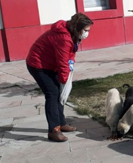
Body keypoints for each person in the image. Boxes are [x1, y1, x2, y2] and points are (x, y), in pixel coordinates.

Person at [25, 13, 93, 142]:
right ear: (77, 28)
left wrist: (70, 66)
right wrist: (64, 81)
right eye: (85, 30)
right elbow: (62, 62)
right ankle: (54, 130)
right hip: (38, 65)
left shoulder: (72, 35)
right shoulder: (63, 38)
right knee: (53, 94)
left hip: (51, 65)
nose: (87, 33)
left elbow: (70, 54)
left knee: (59, 93)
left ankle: (61, 123)